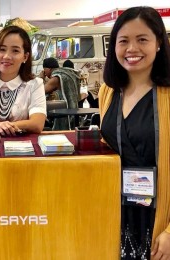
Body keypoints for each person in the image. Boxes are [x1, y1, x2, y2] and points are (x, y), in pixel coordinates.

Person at [99, 6, 170, 260]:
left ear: (159, 43)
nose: (132, 49)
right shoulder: (108, 92)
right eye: (123, 41)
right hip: (118, 213)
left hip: (161, 216)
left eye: (142, 40)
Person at [41, 57, 80, 129]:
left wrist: (41, 78)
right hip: (74, 109)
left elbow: (40, 92)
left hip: (64, 111)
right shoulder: (65, 73)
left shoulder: (56, 78)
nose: (44, 72)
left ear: (49, 69)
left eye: (44, 69)